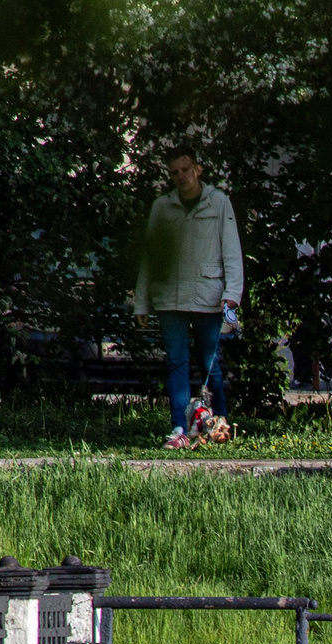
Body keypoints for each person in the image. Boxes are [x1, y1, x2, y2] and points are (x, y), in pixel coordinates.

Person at [133, 146, 244, 449]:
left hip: (209, 297)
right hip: (170, 297)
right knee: (176, 364)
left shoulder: (219, 203)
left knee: (210, 364)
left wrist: (232, 294)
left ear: (198, 169)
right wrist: (142, 301)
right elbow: (151, 256)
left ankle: (219, 426)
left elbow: (232, 251)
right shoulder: (162, 207)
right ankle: (179, 429)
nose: (180, 176)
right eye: (174, 172)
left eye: (185, 170)